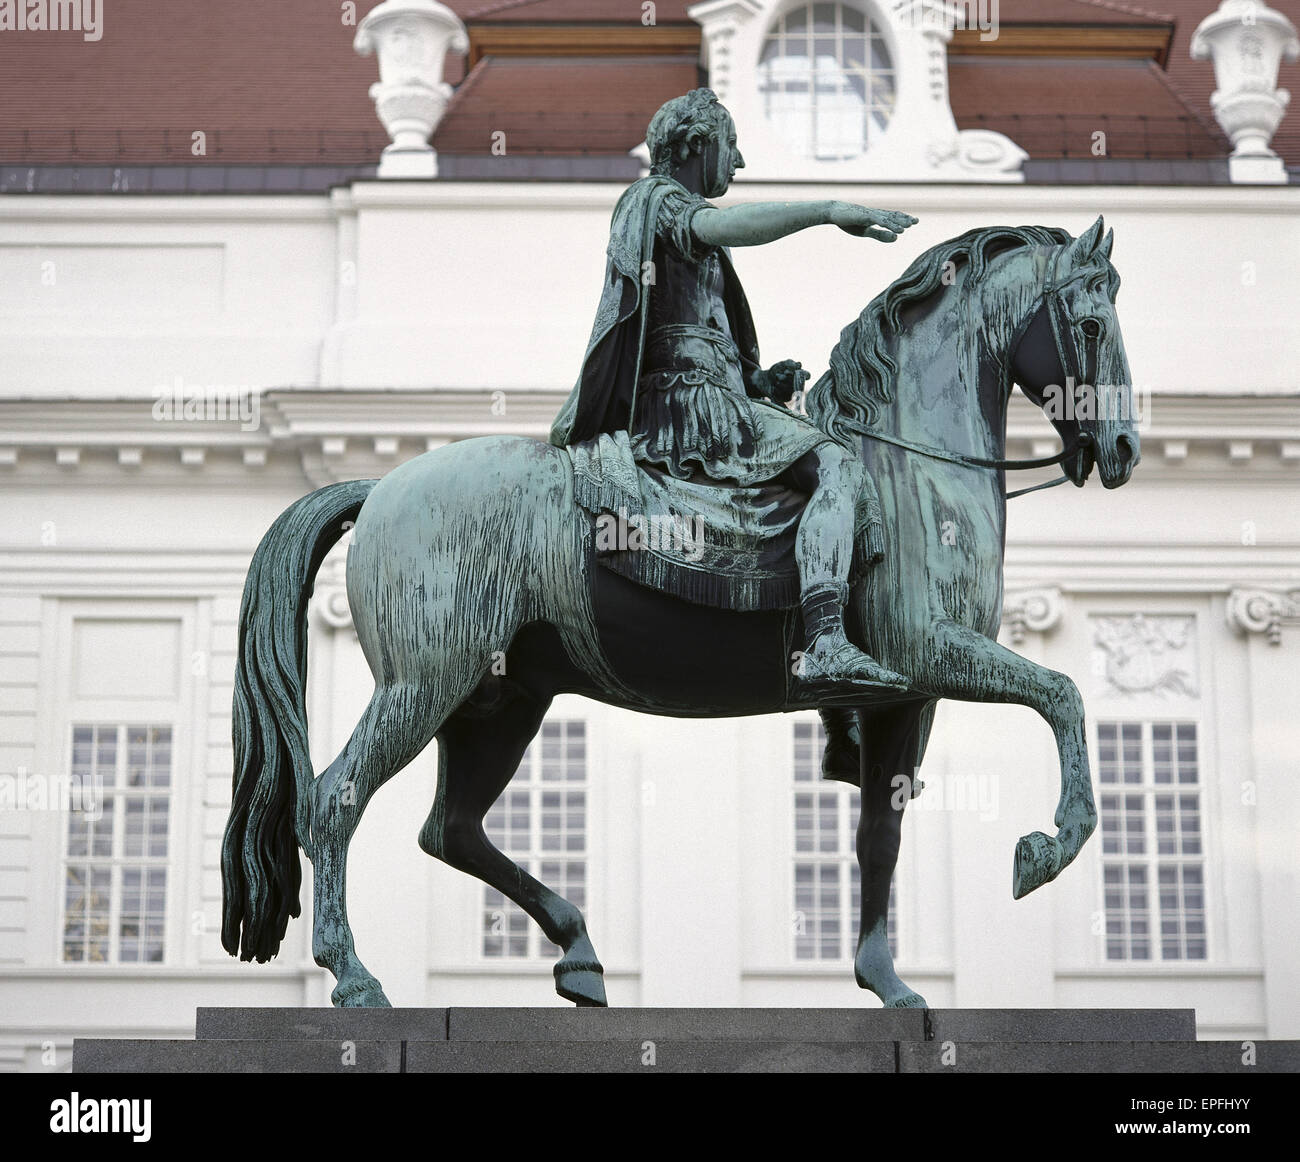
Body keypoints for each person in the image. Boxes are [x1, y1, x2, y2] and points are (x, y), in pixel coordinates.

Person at [550, 88, 917, 696]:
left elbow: (700, 329)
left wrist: (760, 381)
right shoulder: (656, 200)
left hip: (717, 395)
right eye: (732, 145)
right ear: (698, 145)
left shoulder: (682, 222)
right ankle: (825, 637)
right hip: (685, 404)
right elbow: (717, 229)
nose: (739, 162)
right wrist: (826, 210)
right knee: (839, 468)